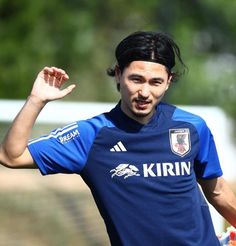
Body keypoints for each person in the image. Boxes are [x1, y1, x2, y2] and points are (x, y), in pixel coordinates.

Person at [0, 31, 235, 246]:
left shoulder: (192, 127)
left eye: (155, 82)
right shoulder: (90, 136)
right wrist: (36, 100)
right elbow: (11, 156)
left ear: (168, 82)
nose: (145, 92)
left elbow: (217, 191)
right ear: (119, 74)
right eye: (136, 79)